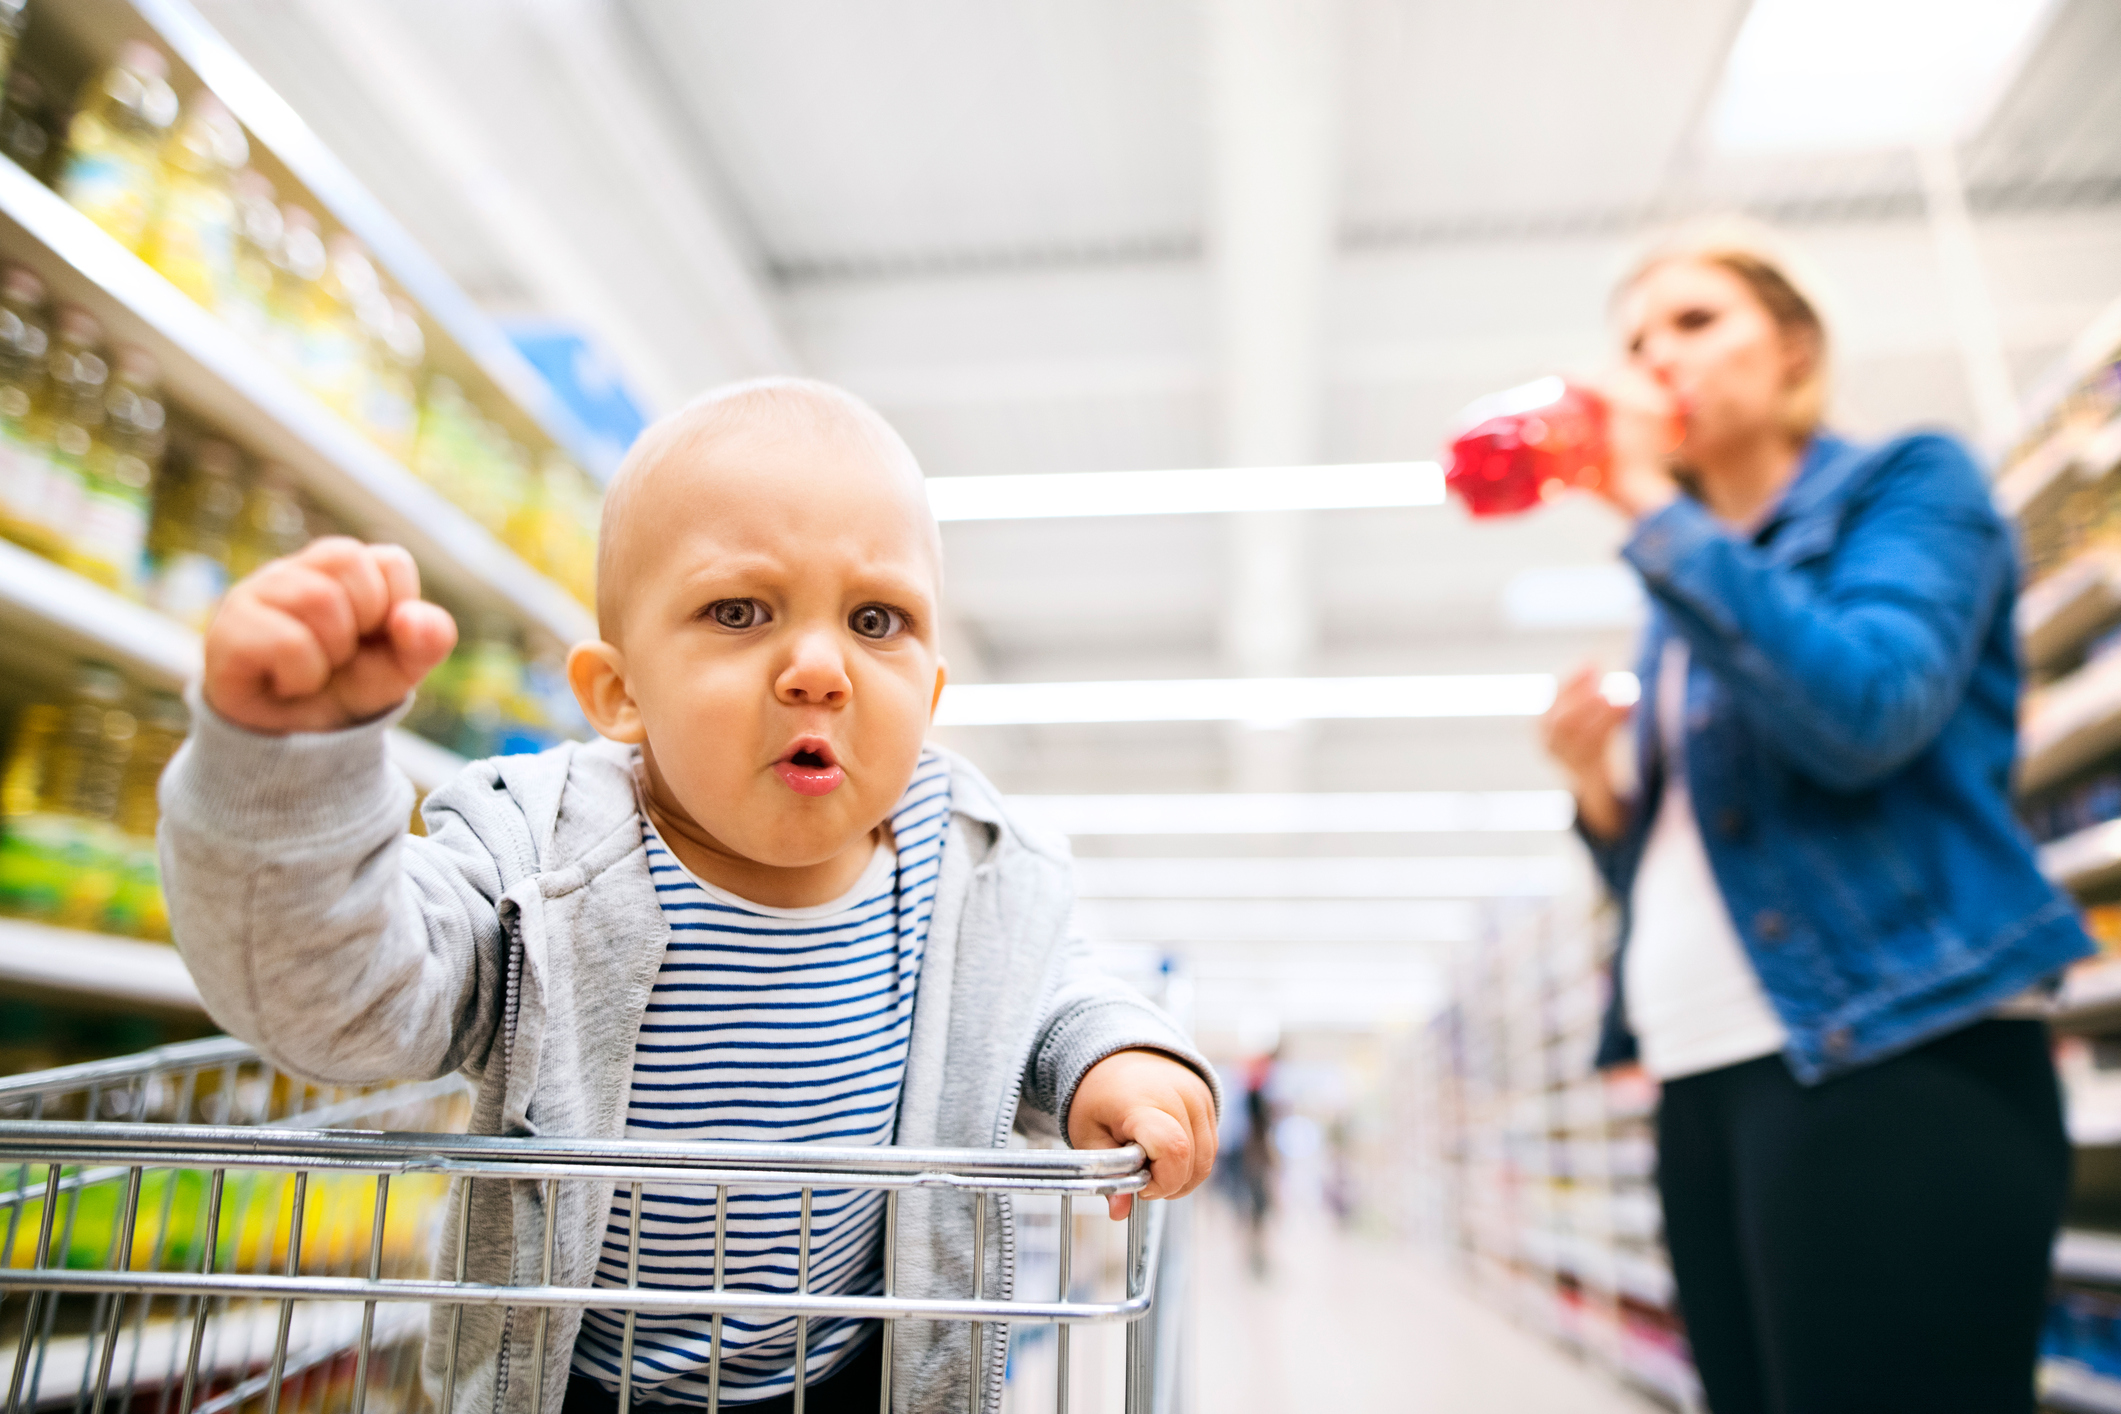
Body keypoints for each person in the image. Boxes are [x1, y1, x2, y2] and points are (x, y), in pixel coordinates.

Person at [158, 378, 1221, 1414]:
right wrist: (293, 774)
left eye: (878, 620)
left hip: (857, 1376)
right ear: (620, 692)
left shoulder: (969, 879)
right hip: (576, 1381)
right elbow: (343, 996)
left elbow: (1046, 999)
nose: (818, 667)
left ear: (931, 695)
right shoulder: (536, 860)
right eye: (740, 609)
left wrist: (1116, 1056)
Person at [1538, 223, 2091, 1414]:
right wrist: (1597, 791)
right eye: (1636, 340)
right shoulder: (1686, 584)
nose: (1656, 358)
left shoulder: (1907, 484)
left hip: (1891, 1052)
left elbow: (1867, 712)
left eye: (1694, 321)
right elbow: (1695, 852)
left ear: (1792, 348)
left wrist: (1641, 494)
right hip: (1706, 1068)